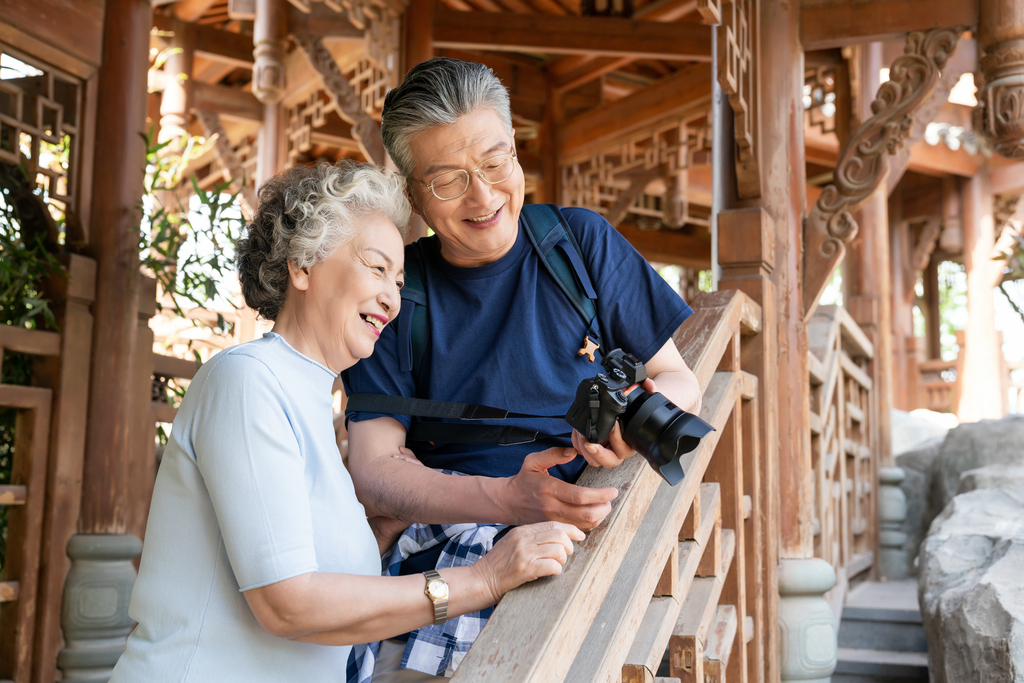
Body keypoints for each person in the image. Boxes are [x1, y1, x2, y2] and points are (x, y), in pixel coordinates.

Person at [110, 161, 583, 683]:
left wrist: (380, 535)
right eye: (376, 268)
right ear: (304, 266)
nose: (392, 298)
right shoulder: (246, 380)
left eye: (399, 281)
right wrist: (485, 577)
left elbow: (311, 573)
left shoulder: (312, 401)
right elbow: (288, 604)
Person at [341, 58, 703, 681]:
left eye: (495, 161)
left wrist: (619, 432)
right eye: (449, 180)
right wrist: (508, 501)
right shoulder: (397, 290)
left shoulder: (579, 243)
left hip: (590, 512)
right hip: (452, 532)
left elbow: (679, 379)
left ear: (516, 151)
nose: (483, 197)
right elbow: (374, 468)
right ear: (411, 193)